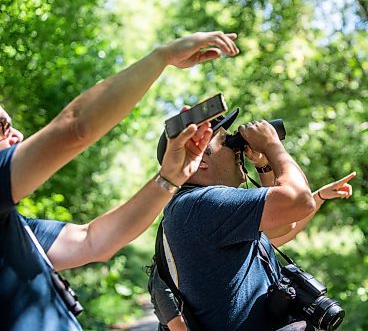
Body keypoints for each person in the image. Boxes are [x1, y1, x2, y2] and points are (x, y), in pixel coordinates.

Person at [0, 31, 239, 331]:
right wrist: (162, 57)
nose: (17, 134)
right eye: (2, 126)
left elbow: (93, 241)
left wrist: (171, 177)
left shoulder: (15, 226)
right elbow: (76, 127)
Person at [154, 108, 355, 331]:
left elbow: (281, 226)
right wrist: (271, 144)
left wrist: (263, 164)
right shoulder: (200, 204)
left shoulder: (194, 208)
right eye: (227, 141)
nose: (237, 147)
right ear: (200, 160)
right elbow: (299, 201)